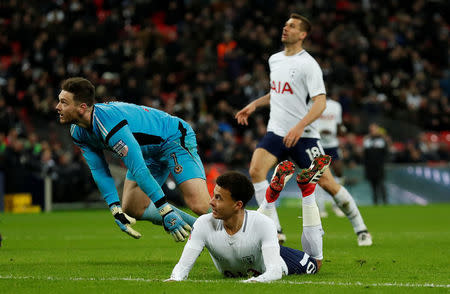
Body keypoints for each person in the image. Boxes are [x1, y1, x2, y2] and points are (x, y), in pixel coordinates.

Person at [235, 13, 372, 246]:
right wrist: (254, 105)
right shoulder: (275, 60)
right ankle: (275, 230)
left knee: (328, 183)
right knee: (257, 171)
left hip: (304, 136)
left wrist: (299, 127)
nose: (286, 28)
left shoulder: (309, 65)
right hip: (277, 131)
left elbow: (320, 102)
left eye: (292, 26)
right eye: (286, 24)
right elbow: (277, 92)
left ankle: (361, 228)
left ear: (303, 34)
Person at [56, 77, 211, 242]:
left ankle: (239, 224)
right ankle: (200, 230)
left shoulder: (109, 125)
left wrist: (165, 211)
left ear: (82, 108)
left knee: (199, 204)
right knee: (132, 207)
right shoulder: (78, 131)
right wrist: (115, 208)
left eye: (64, 102)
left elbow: (139, 170)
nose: (57, 107)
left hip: (172, 138)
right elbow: (99, 170)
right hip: (148, 152)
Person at [166, 155, 330, 282]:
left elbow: (274, 272)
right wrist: (174, 279)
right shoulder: (204, 223)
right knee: (258, 226)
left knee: (316, 262)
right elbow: (182, 268)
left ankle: (307, 190)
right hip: (258, 246)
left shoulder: (263, 223)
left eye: (218, 198)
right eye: (213, 196)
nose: (211, 202)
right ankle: (271, 196)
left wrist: (253, 282)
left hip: (276, 258)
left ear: (238, 204)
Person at [314, 96, 346, 218]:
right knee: (319, 176)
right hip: (318, 144)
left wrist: (340, 131)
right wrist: (320, 131)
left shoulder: (336, 106)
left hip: (333, 144)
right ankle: (321, 208)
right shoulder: (312, 104)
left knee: (339, 174)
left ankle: (336, 205)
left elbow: (339, 125)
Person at [363, 123, 389, 205]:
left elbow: (386, 152)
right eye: (371, 129)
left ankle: (385, 202)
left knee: (381, 184)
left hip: (379, 166)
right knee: (373, 186)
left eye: (374, 129)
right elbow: (365, 154)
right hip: (370, 167)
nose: (372, 131)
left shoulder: (382, 140)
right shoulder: (367, 140)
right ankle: (375, 202)